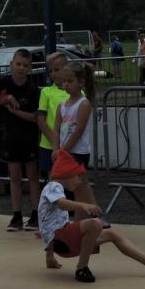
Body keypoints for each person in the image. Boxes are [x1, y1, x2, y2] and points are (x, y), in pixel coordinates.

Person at [39, 149, 145, 283]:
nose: (80, 181)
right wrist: (84, 205)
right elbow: (62, 204)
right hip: (61, 242)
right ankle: (81, 268)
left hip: (61, 243)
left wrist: (49, 256)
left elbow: (50, 224)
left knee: (112, 233)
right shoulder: (53, 186)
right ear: (67, 173)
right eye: (78, 176)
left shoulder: (55, 188)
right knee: (95, 223)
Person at [0, 48, 41, 231]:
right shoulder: (4, 82)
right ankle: (16, 215)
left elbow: (35, 118)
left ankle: (36, 214)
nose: (21, 68)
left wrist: (15, 111)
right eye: (18, 64)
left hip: (29, 137)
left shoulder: (33, 89)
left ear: (30, 68)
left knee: (32, 176)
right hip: (10, 136)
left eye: (25, 65)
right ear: (11, 64)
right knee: (14, 176)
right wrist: (5, 99)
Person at [53, 60, 97, 206]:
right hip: (65, 151)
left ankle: (91, 213)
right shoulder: (61, 105)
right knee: (74, 186)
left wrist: (63, 150)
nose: (66, 84)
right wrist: (55, 149)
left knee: (81, 186)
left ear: (81, 82)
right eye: (64, 81)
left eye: (70, 81)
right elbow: (56, 129)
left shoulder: (83, 104)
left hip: (78, 152)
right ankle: (89, 213)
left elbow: (79, 130)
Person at [37, 51, 71, 181]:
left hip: (71, 145)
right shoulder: (46, 92)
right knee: (53, 181)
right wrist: (55, 142)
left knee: (71, 180)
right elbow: (41, 120)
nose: (53, 74)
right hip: (49, 145)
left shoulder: (78, 92)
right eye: (50, 71)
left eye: (56, 70)